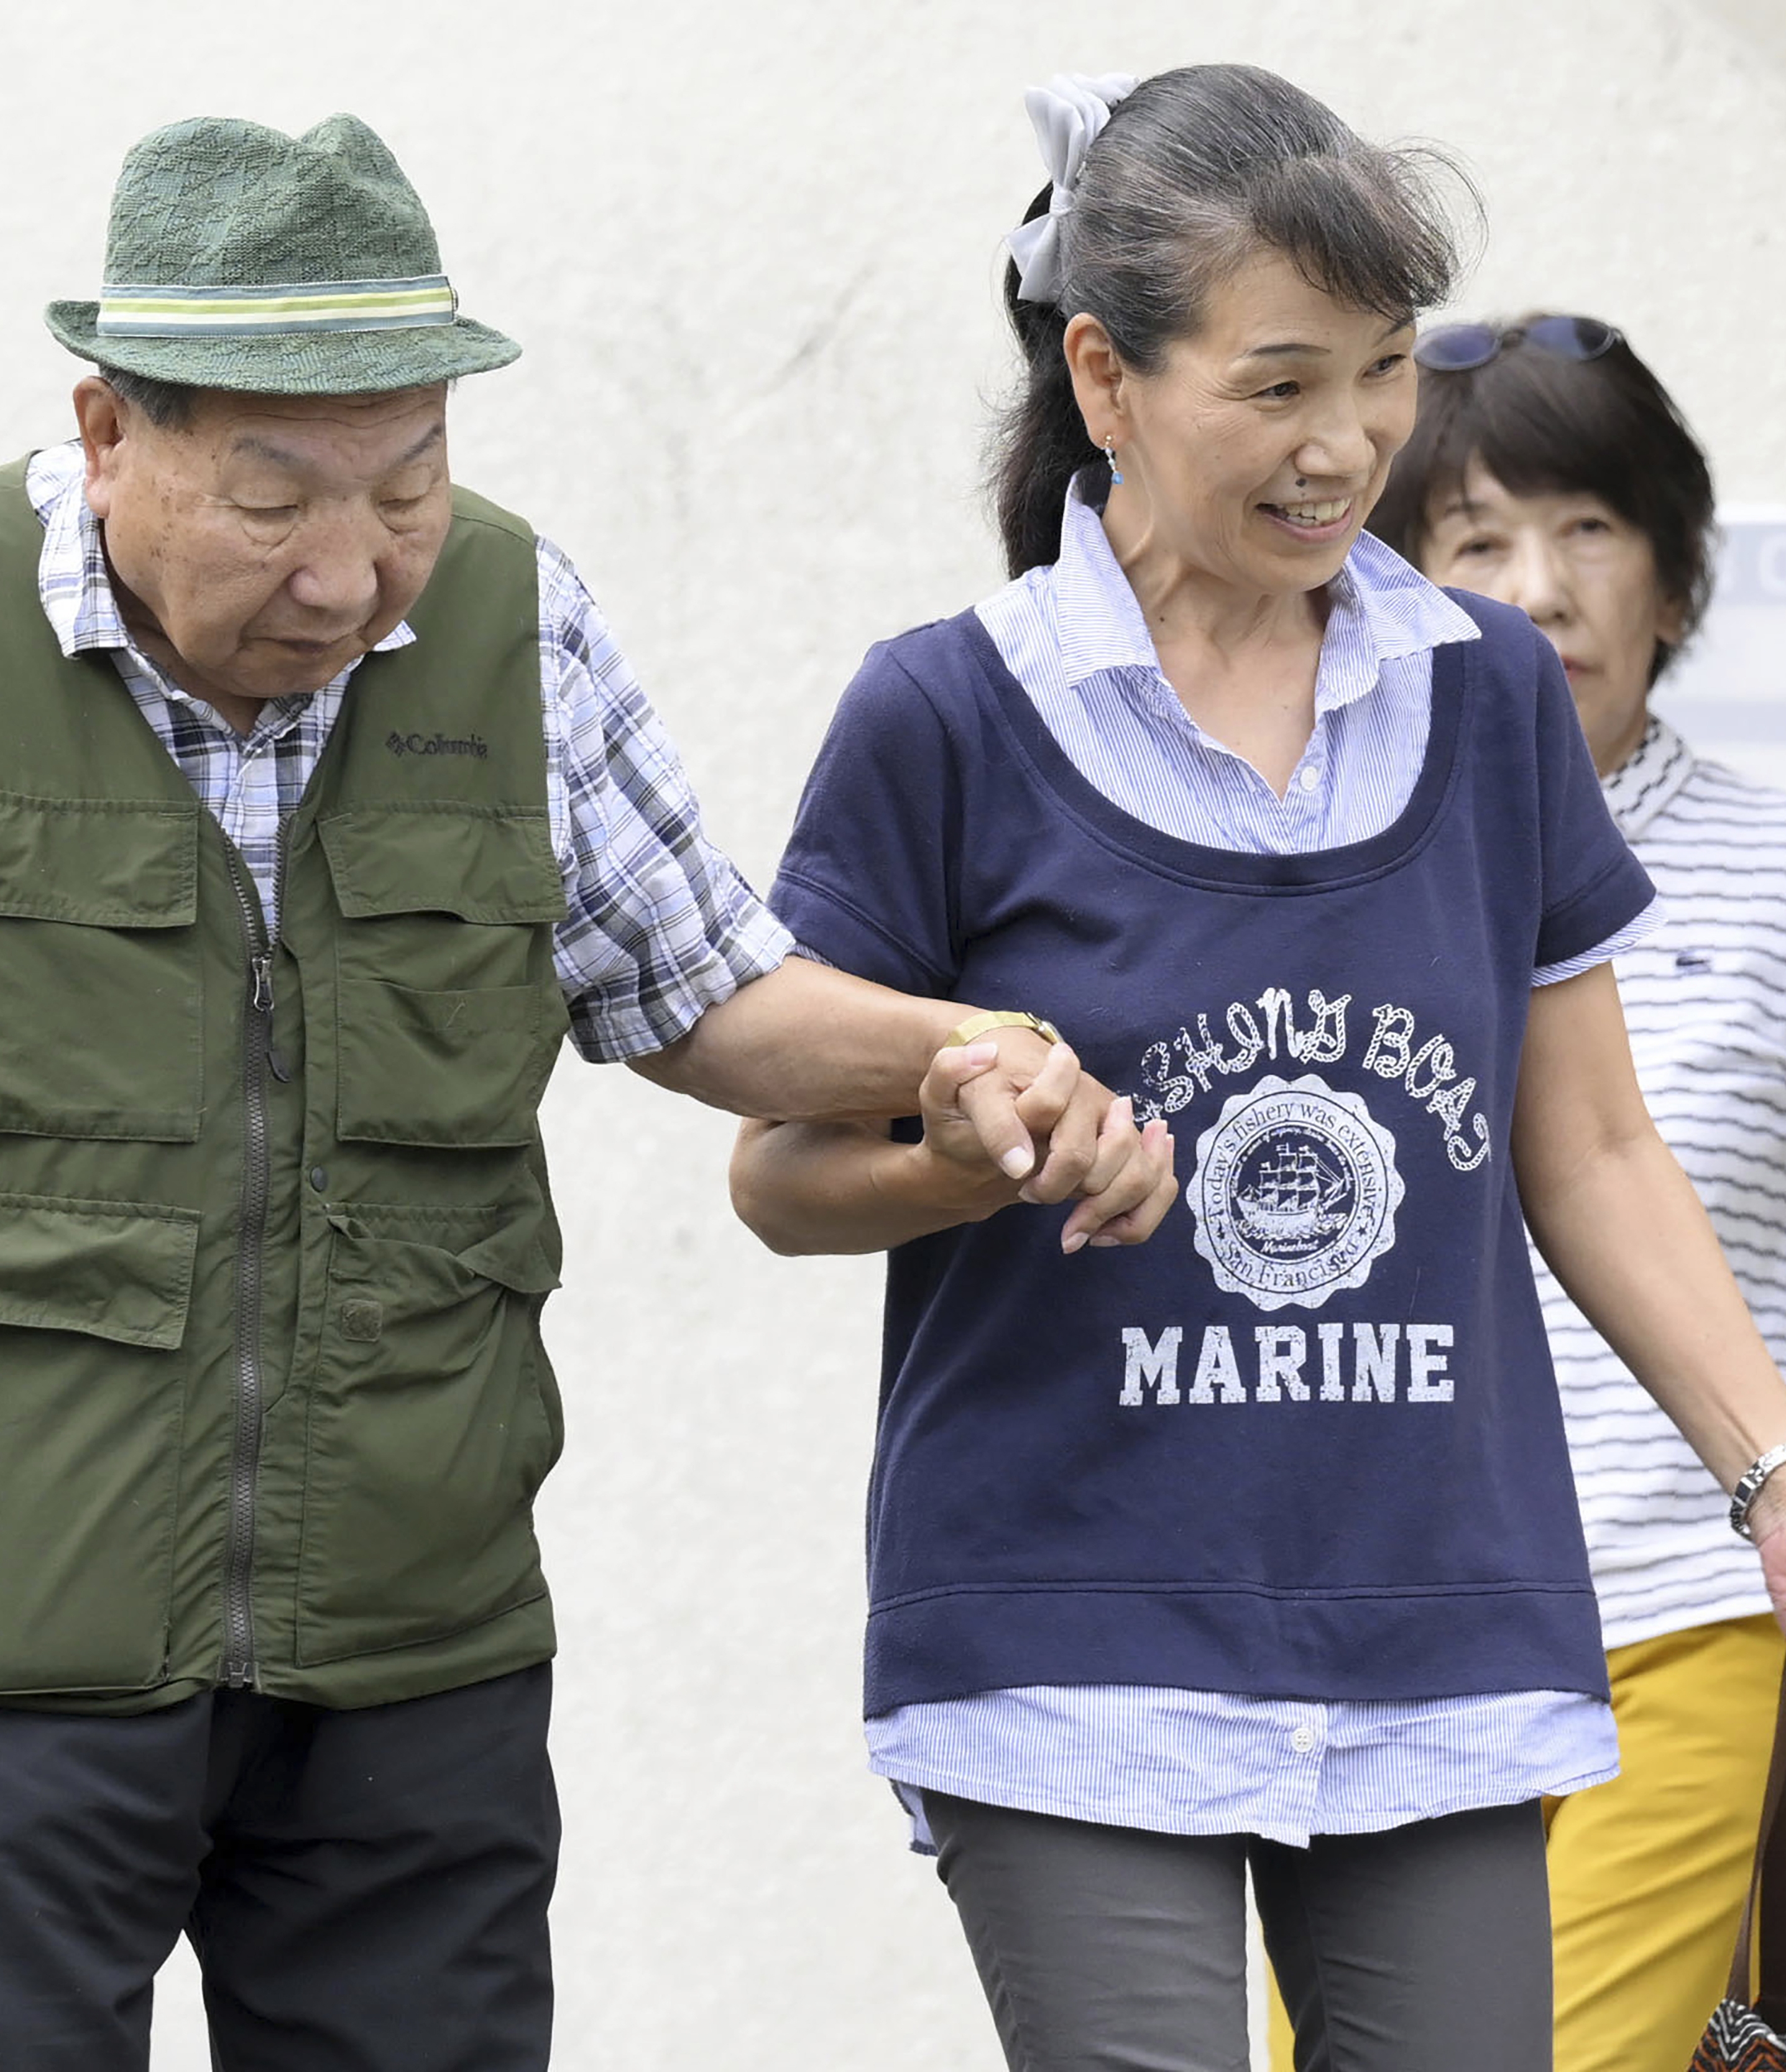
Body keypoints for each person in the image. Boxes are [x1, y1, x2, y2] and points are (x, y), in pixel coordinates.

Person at [0, 113, 1176, 2070]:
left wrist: (954, 1053)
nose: (351, 573)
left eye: (407, 484)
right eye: (274, 499)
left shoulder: (512, 621)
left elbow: (705, 998)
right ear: (104, 430)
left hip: (415, 1621)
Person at [729, 66, 1786, 2072]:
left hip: (1442, 1623)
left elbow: (1592, 1153)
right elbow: (779, 1170)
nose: (1346, 447)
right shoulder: (946, 716)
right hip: (1066, 1635)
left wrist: (1765, 1468)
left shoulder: (1485, 708)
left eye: (1381, 375)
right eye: (1279, 384)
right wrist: (972, 1144)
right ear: (1105, 376)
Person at [1365, 313, 1781, 2072]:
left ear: (1674, 580)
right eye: (1473, 540)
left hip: (1687, 1618)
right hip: (1393, 1638)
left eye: (1587, 529)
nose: (1536, 589)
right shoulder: (1360, 866)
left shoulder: (1771, 867)